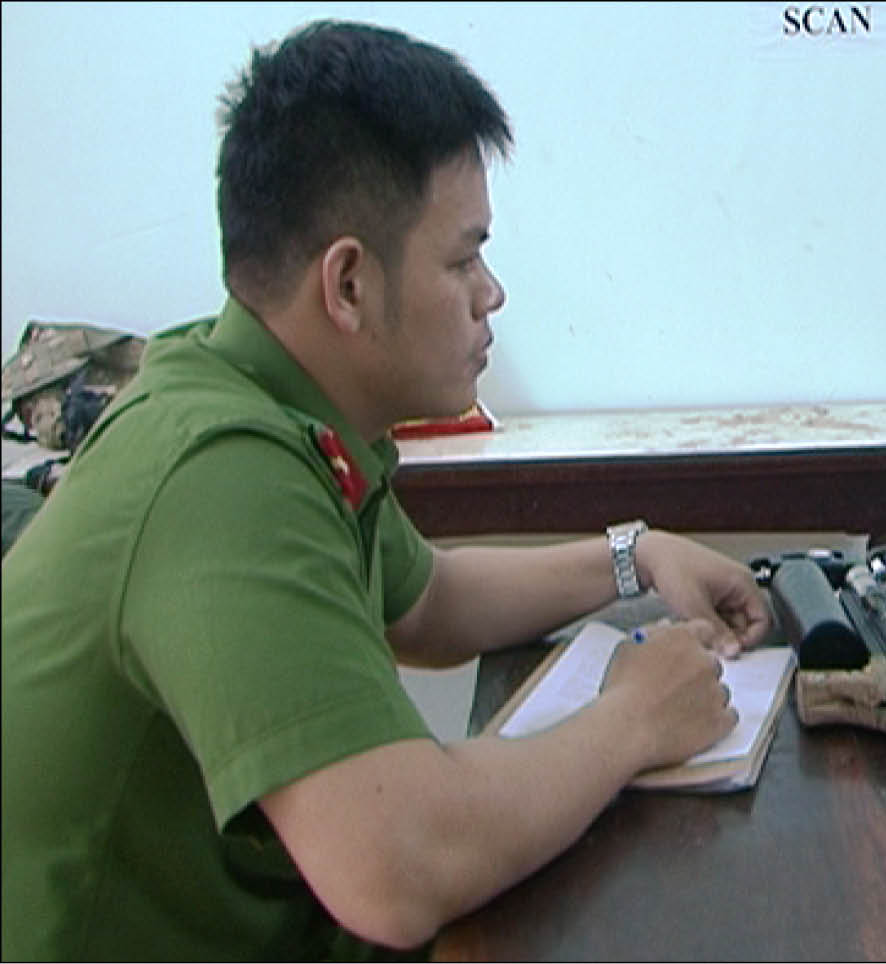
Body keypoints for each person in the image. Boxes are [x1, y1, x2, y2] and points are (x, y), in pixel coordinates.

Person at [1, 20, 771, 960]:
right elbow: (396, 870)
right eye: (462, 259)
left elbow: (427, 601)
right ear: (349, 285)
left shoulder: (271, 402)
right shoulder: (220, 475)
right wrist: (633, 720)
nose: (491, 293)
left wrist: (633, 554)